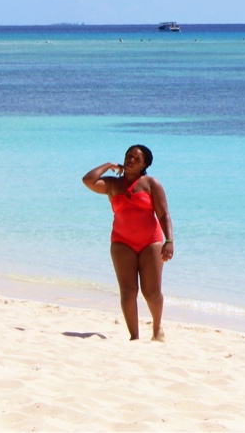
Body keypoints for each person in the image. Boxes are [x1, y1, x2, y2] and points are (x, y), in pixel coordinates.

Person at [83, 145, 174, 341]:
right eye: (128, 156)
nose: (130, 160)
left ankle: (157, 328)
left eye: (136, 158)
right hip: (122, 242)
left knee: (151, 292)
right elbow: (88, 180)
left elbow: (164, 214)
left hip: (151, 242)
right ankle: (134, 336)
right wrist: (108, 165)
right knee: (128, 291)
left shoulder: (151, 183)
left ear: (144, 165)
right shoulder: (113, 185)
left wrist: (169, 240)